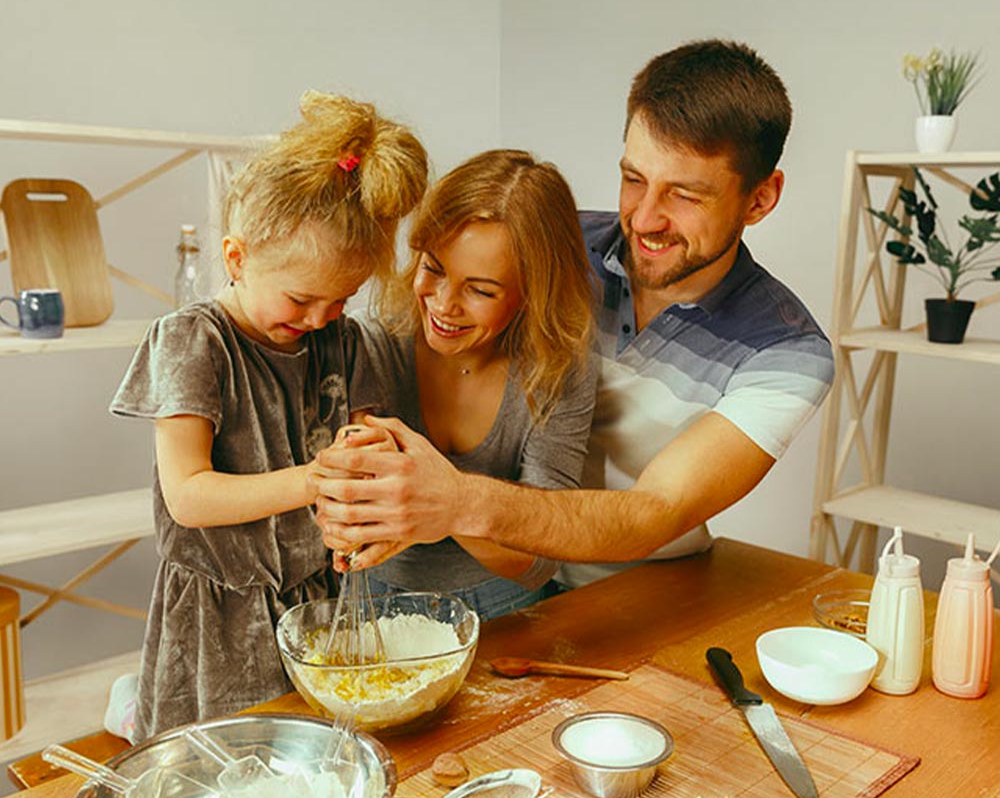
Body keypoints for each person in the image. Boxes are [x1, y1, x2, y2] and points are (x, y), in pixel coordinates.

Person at [311, 39, 835, 584]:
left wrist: (456, 500)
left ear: (760, 199)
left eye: (685, 195)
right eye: (634, 179)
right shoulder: (543, 246)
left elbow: (658, 510)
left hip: (641, 587)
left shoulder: (787, 353)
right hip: (508, 581)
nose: (646, 219)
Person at [108, 91, 427, 739]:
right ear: (236, 258)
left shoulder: (344, 340)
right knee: (226, 766)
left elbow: (365, 454)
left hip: (315, 598)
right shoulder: (193, 343)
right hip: (218, 613)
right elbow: (189, 497)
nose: (317, 321)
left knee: (309, 756)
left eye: (339, 301)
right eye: (301, 299)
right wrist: (317, 480)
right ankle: (135, 704)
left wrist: (364, 498)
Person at [326, 149, 598, 619]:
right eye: (433, 268)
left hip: (504, 609)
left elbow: (540, 560)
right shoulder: (374, 339)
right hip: (368, 598)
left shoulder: (558, 370)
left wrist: (449, 505)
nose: (444, 304)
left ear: (531, 295)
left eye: (481, 290)